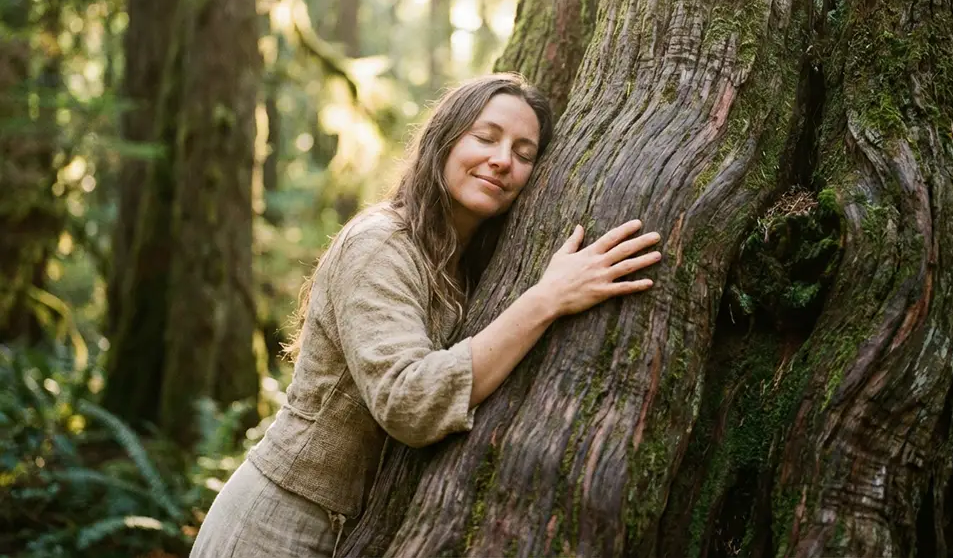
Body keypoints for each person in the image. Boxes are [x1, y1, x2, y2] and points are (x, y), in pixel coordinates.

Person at [190, 73, 662, 557]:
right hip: (275, 523)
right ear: (443, 140)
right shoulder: (380, 244)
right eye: (485, 138)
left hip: (351, 532)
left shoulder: (465, 262)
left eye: (524, 154)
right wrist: (547, 299)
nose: (502, 161)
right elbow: (408, 400)